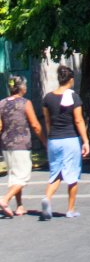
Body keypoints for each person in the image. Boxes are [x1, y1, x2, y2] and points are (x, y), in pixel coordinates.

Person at [41, 65, 89, 220]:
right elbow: (78, 120)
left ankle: (47, 199)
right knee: (72, 175)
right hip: (70, 139)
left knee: (55, 173)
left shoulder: (47, 98)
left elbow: (47, 121)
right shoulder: (74, 97)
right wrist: (86, 141)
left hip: (54, 139)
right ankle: (70, 209)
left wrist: (49, 138)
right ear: (71, 79)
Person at [0, 75, 46, 218]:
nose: (26, 88)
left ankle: (19, 206)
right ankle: (4, 199)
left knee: (14, 176)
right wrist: (44, 141)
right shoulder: (25, 103)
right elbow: (35, 125)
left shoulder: (1, 103)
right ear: (21, 88)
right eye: (25, 85)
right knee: (23, 177)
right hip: (21, 144)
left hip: (6, 144)